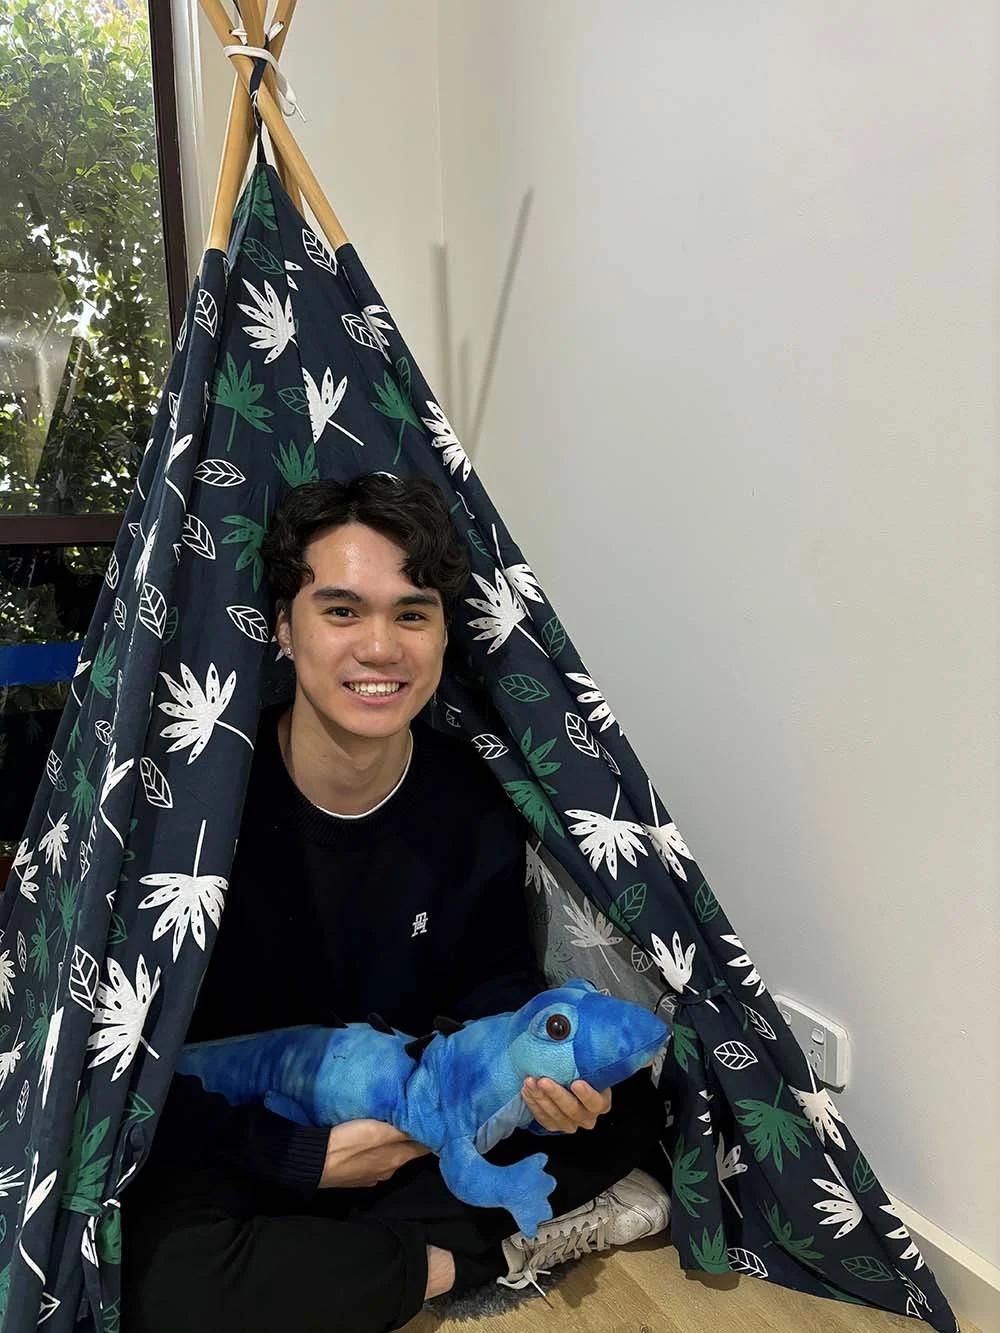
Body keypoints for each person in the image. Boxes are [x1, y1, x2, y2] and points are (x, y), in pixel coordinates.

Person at [120, 474, 669, 1333]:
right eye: (341, 610)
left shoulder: (471, 797)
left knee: (630, 1104)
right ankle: (475, 1255)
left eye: (411, 613)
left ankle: (368, 1264)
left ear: (445, 634)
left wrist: (537, 1076)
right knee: (163, 1281)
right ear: (282, 628)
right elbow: (133, 1064)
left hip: (420, 1117)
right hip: (248, 1134)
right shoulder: (200, 804)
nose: (380, 647)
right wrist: (301, 1158)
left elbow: (496, 987)